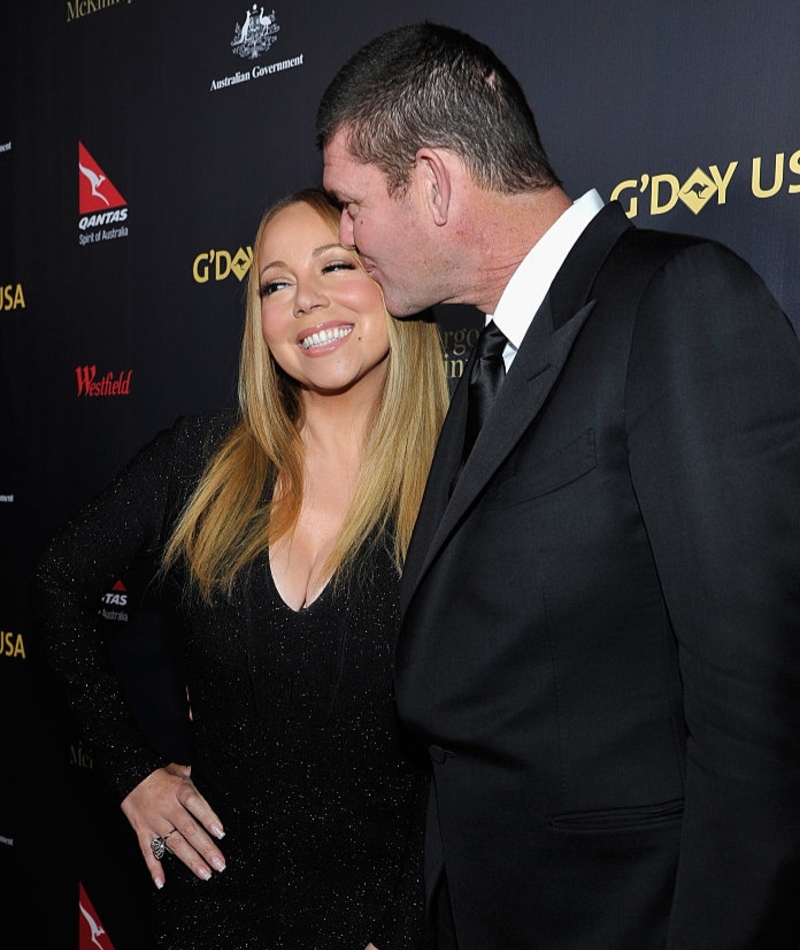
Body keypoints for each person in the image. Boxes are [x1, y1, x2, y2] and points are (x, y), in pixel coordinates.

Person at [315, 22, 800, 950]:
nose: (346, 237)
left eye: (349, 204)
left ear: (434, 181)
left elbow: (760, 721)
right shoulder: (492, 354)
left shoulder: (680, 305)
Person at [30, 187, 449, 950]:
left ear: (395, 279)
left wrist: (408, 925)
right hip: (207, 915)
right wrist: (131, 770)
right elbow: (56, 579)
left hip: (382, 925)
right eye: (276, 283)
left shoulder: (459, 482)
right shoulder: (201, 460)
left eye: (336, 264)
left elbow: (490, 751)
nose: (306, 301)